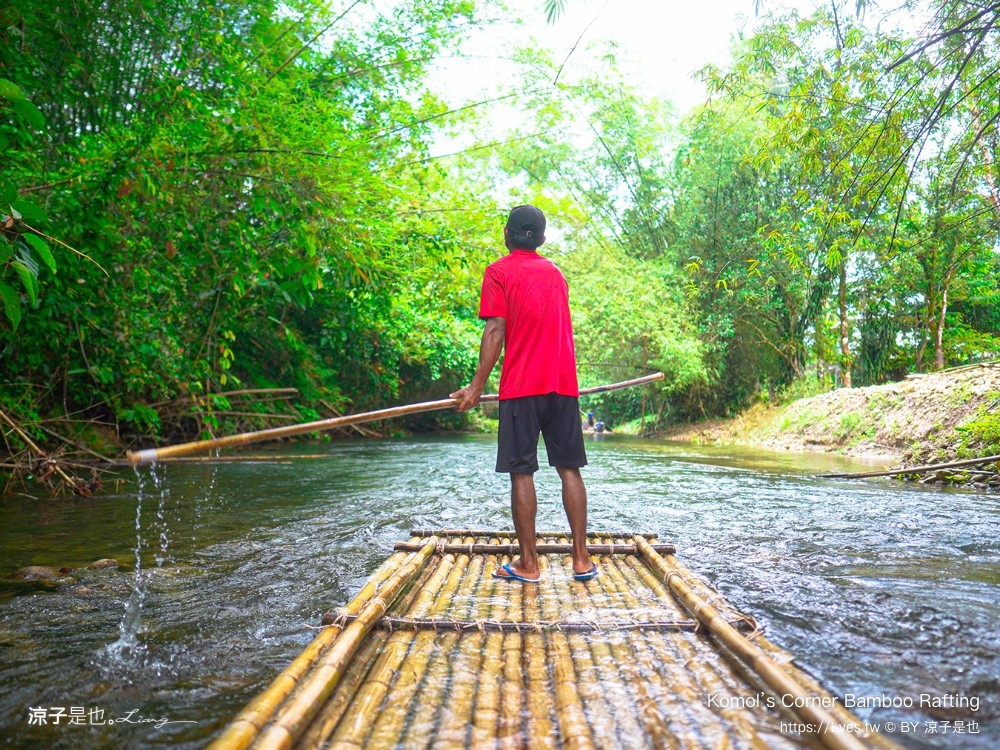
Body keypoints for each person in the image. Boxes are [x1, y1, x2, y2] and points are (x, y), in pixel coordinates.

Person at [451, 204, 597, 583]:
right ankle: (581, 561)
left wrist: (476, 386)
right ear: (543, 240)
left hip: (521, 387)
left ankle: (529, 565)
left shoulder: (498, 272)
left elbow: (496, 330)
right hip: (563, 385)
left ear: (506, 233)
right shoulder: (557, 274)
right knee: (570, 470)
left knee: (522, 472)